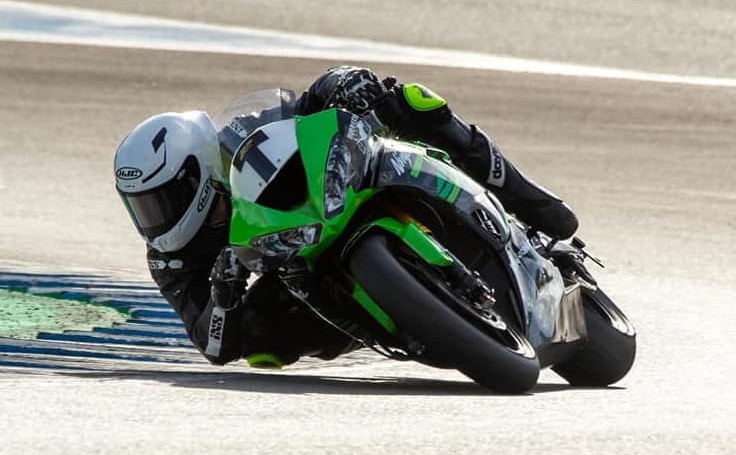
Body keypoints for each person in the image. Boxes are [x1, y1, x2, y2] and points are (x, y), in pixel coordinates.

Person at [113, 66, 578, 368]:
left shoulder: (240, 136)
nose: (155, 220)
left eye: (161, 201)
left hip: (340, 188)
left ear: (197, 172)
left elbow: (306, 105)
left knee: (411, 101)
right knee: (260, 345)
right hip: (299, 272)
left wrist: (342, 82)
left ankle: (528, 199)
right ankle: (401, 318)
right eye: (142, 208)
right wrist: (224, 291)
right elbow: (213, 346)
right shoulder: (171, 258)